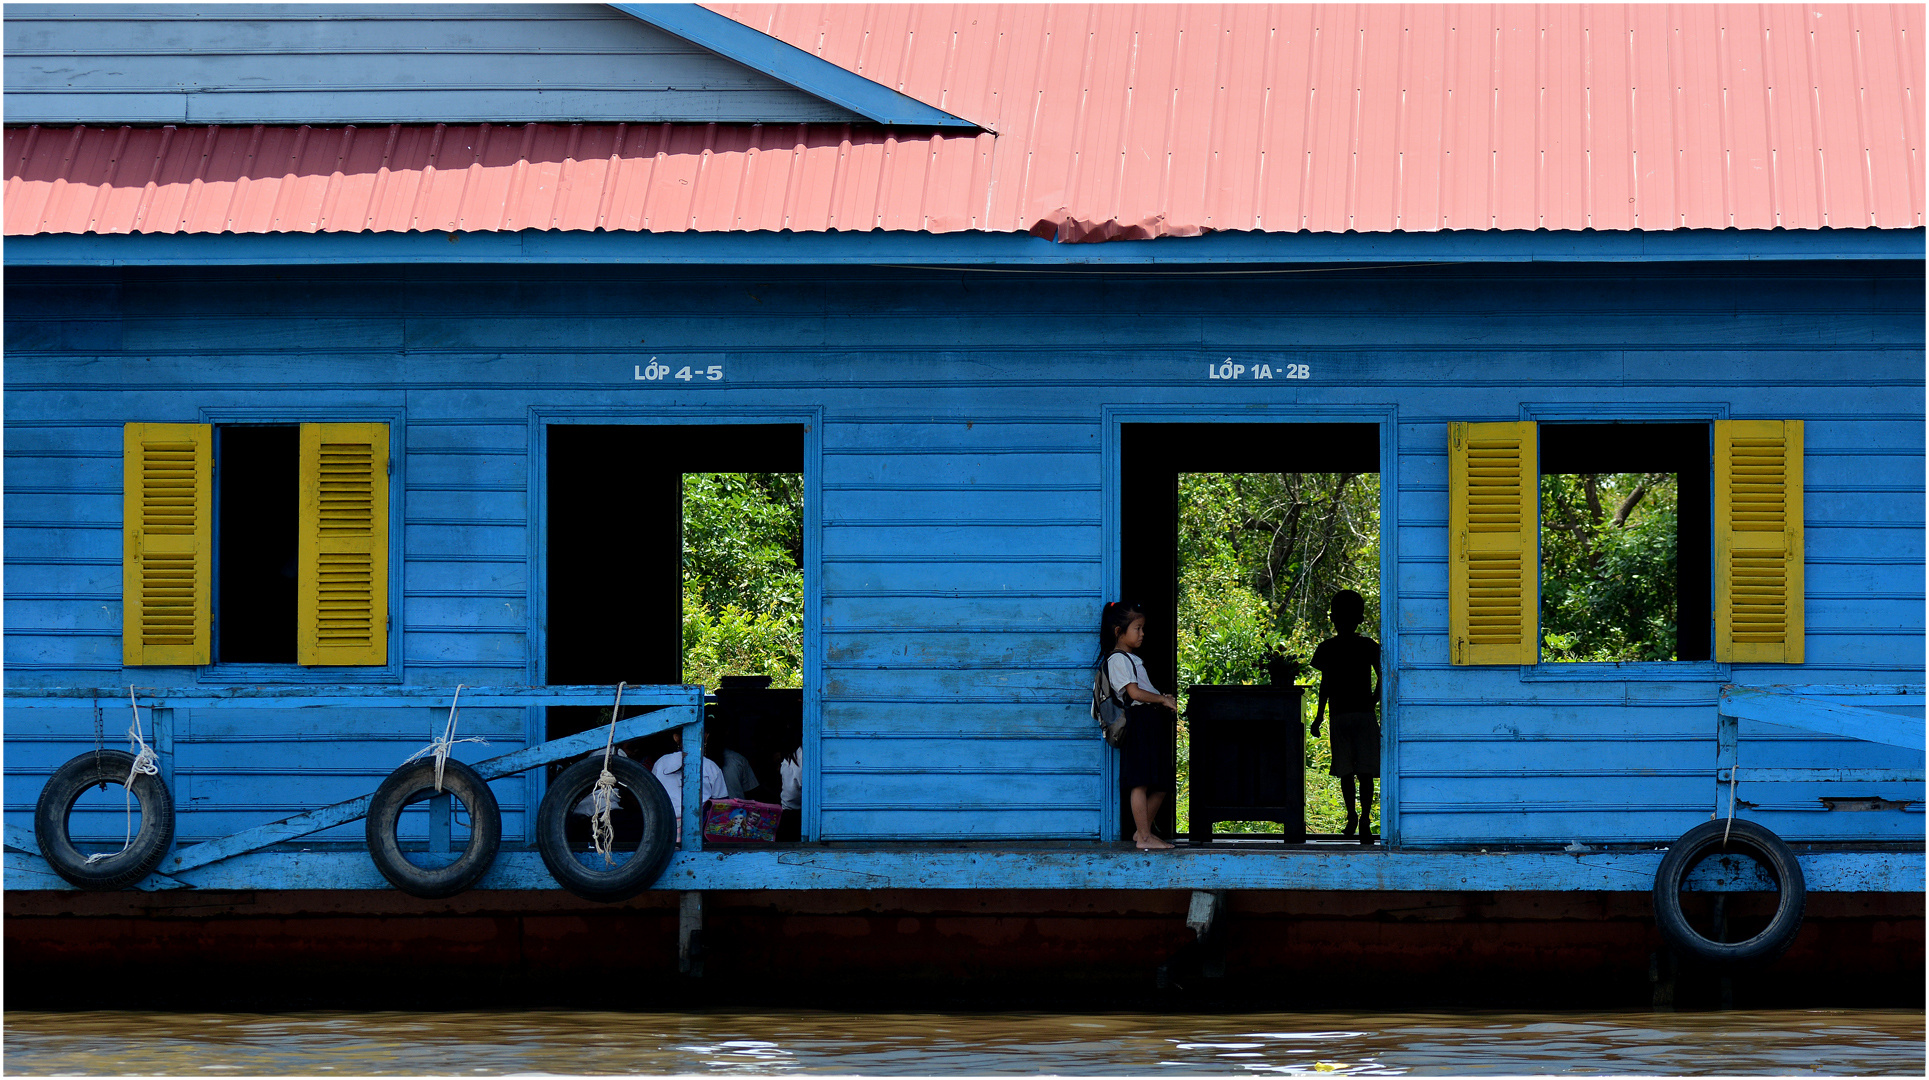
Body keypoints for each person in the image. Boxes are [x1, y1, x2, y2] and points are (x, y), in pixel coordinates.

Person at [1099, 601, 1179, 851]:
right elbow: (1133, 693)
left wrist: (1159, 700)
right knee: (1140, 782)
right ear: (1118, 631)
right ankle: (1144, 837)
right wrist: (1162, 699)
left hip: (1149, 720)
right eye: (1137, 628)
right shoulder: (1118, 659)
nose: (1142, 633)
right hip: (1139, 722)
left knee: (1162, 782)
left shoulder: (1130, 658)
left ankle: (1141, 833)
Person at [1310, 589, 1382, 844]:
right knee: (1364, 772)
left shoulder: (1328, 648)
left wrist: (1319, 717)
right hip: (1363, 714)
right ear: (1359, 619)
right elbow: (1383, 675)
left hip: (1340, 715)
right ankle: (1363, 819)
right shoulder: (1368, 646)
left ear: (1334, 619)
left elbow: (1325, 684)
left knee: (1346, 772)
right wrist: (1374, 699)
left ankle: (1353, 816)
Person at [652, 728, 728, 820]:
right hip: (699, 826)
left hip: (666, 824)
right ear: (705, 736)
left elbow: (652, 796)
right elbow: (721, 804)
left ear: (676, 737)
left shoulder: (661, 762)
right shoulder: (710, 766)